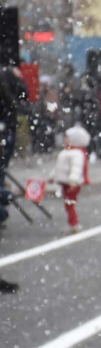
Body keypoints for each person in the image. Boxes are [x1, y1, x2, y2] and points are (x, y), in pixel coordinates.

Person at [0, 62, 28, 225]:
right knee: (2, 167)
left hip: (5, 125)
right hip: (6, 125)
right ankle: (3, 204)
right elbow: (22, 95)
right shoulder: (7, 75)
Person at [50, 124, 91, 234]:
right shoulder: (66, 152)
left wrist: (73, 180)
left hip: (71, 183)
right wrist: (52, 176)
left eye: (67, 138)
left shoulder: (76, 153)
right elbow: (58, 167)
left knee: (70, 203)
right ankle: (72, 223)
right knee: (68, 203)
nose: (65, 140)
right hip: (65, 182)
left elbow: (76, 169)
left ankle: (74, 224)